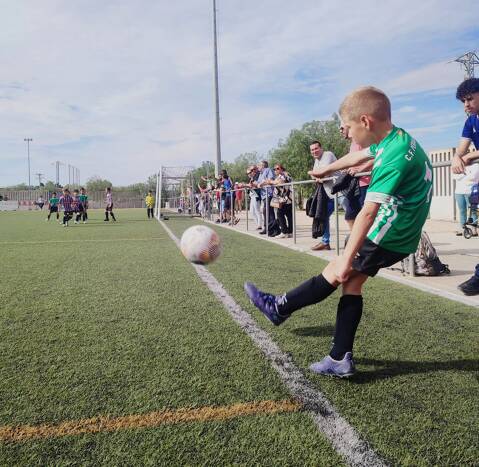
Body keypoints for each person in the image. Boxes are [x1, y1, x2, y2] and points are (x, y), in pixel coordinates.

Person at [245, 86, 433, 377]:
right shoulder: (397, 139)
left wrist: (346, 257)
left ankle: (279, 307)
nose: (347, 134)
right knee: (352, 284)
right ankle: (339, 357)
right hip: (401, 233)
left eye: (347, 127)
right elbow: (362, 157)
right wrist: (326, 169)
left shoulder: (393, 155)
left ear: (365, 122)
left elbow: (368, 212)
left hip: (390, 231)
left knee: (337, 270)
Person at [451, 78, 479, 295]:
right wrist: (456, 158)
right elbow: (460, 150)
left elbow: (468, 153)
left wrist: (470, 155)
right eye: (463, 101)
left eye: (470, 98)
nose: (466, 105)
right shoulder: (471, 121)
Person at [308, 141, 338, 250]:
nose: (314, 151)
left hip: (341, 191)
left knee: (352, 217)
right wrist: (315, 175)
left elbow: (323, 173)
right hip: (329, 193)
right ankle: (325, 242)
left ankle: (361, 246)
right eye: (312, 150)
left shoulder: (327, 155)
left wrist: (311, 173)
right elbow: (317, 176)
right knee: (323, 216)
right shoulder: (317, 160)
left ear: (321, 148)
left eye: (316, 148)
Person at [267, 164, 293, 238]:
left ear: (282, 169)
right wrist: (271, 181)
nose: (275, 170)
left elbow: (280, 182)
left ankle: (284, 232)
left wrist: (271, 182)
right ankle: (289, 232)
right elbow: (274, 182)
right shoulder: (279, 176)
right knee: (288, 215)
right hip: (284, 198)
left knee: (280, 214)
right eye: (274, 169)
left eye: (277, 168)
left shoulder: (285, 174)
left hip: (285, 199)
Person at [256, 160, 280, 236]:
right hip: (263, 195)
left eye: (259, 165)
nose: (258, 167)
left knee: (269, 212)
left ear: (263, 165)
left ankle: (275, 230)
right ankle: (267, 228)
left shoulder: (268, 170)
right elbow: (259, 183)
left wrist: (262, 183)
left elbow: (271, 179)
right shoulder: (260, 174)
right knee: (265, 212)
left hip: (269, 193)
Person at [246, 165, 263, 230]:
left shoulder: (257, 176)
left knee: (257, 210)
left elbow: (253, 185)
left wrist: (244, 185)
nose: (248, 174)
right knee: (252, 212)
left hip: (256, 195)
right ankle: (258, 224)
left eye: (249, 173)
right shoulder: (252, 178)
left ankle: (259, 225)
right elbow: (251, 186)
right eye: (247, 173)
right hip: (252, 196)